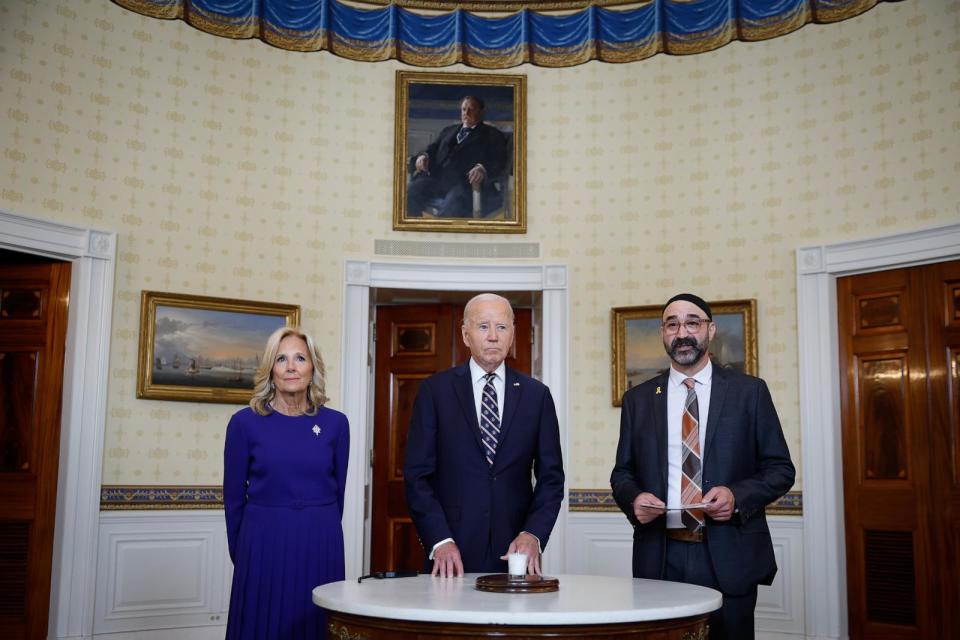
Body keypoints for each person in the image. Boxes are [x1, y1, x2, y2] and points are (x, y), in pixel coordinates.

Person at [610, 293, 795, 640]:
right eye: (672, 324)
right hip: (660, 557)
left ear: (710, 330)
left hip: (729, 554)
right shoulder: (639, 399)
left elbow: (781, 469)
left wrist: (736, 496)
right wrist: (634, 499)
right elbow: (622, 473)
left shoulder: (749, 392)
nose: (683, 332)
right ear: (663, 333)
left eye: (692, 323)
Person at [404, 293, 565, 577]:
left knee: (513, 623)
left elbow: (551, 479)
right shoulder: (435, 392)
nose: (493, 336)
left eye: (502, 327)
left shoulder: (536, 396)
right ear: (466, 335)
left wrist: (533, 534)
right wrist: (439, 539)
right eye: (483, 327)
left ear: (512, 334)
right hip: (450, 551)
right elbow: (417, 476)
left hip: (515, 552)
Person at [223, 327, 349, 639]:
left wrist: (323, 533)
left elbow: (339, 493)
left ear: (313, 367)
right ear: (271, 369)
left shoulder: (336, 424)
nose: (291, 366)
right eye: (282, 359)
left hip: (321, 543)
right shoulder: (244, 423)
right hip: (263, 543)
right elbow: (233, 499)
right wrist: (246, 553)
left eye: (300, 358)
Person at [406, 95, 509, 218]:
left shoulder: (492, 134)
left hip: (466, 185)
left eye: (472, 109)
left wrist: (482, 168)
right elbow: (433, 148)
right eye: (464, 109)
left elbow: (499, 160)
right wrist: (423, 156)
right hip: (437, 179)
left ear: (481, 111)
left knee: (452, 207)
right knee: (409, 193)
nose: (466, 113)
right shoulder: (449, 130)